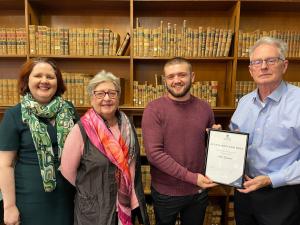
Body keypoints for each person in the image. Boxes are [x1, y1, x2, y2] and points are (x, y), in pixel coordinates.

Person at [61, 70, 150, 225]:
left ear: (118, 97)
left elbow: (133, 166)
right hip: (95, 211)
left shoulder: (128, 126)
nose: (107, 98)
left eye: (112, 93)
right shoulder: (81, 130)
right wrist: (92, 191)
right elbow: (68, 171)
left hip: (129, 204)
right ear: (92, 97)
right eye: (100, 94)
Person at [230, 36, 300, 225]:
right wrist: (222, 138)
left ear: (284, 65)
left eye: (271, 60)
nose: (263, 67)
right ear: (251, 69)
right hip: (245, 191)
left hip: (283, 195)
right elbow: (236, 142)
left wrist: (271, 179)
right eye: (257, 62)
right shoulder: (244, 103)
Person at [0, 58, 78, 225]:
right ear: (27, 81)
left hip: (69, 197)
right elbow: (4, 164)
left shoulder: (70, 111)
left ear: (58, 82)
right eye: (38, 76)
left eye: (50, 76)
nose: (44, 81)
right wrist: (9, 206)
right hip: (30, 199)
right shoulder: (14, 115)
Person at [141, 57, 218, 225]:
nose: (176, 80)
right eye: (171, 76)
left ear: (193, 76)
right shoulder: (154, 109)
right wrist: (192, 178)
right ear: (165, 80)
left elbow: (208, 147)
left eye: (182, 75)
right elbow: (154, 155)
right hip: (166, 193)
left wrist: (216, 138)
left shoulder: (205, 107)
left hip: (198, 191)